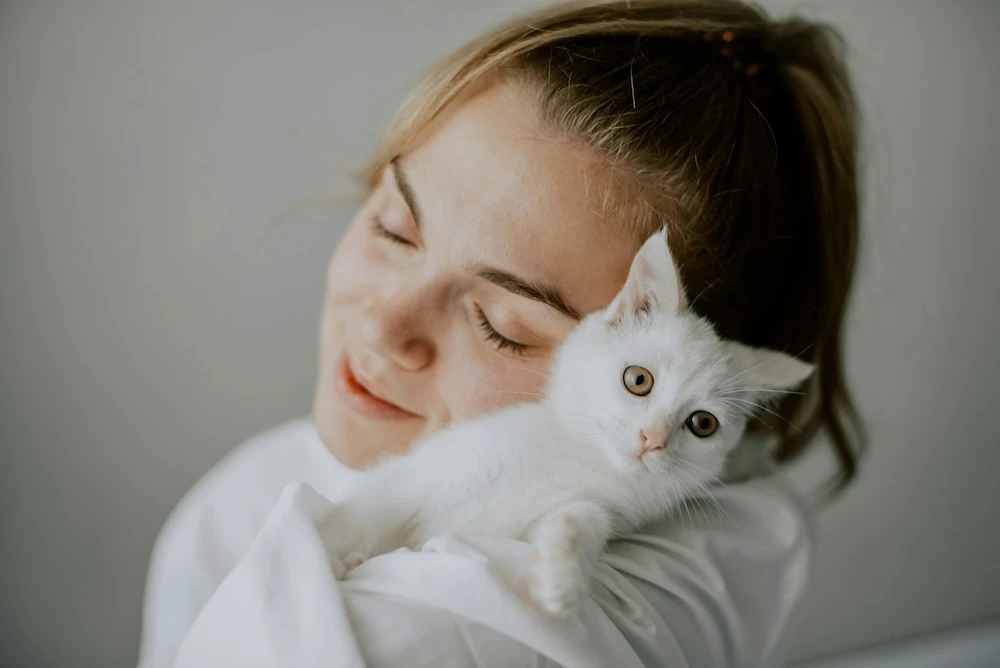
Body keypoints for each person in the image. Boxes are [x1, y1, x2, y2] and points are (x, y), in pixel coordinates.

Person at [137, 1, 863, 665]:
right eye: (394, 226)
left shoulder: (666, 567)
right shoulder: (228, 508)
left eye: (501, 326)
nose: (384, 325)